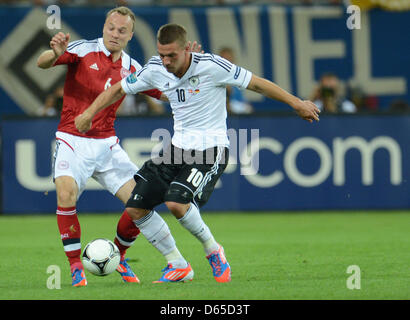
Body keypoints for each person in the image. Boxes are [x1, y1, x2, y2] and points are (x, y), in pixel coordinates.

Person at [75, 23, 320, 283]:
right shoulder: (155, 69)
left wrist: (296, 102)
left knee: (176, 203)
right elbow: (118, 89)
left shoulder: (212, 66)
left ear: (185, 49)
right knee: (135, 207)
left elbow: (257, 84)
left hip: (210, 149)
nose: (166, 61)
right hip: (176, 149)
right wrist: (89, 112)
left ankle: (214, 251)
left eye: (172, 55)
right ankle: (177, 264)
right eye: (162, 54)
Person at [36, 7, 207, 287]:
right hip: (72, 139)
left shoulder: (132, 66)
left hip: (107, 145)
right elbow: (43, 63)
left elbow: (166, 92)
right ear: (104, 27)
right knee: (66, 193)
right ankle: (76, 266)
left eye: (122, 30)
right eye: (111, 28)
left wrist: (189, 68)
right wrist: (55, 52)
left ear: (130, 35)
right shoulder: (81, 50)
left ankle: (141, 258)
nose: (115, 34)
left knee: (141, 201)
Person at [219, 47, 254, 114]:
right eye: (224, 60)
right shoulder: (214, 77)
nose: (227, 63)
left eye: (229, 59)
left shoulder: (239, 78)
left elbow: (244, 104)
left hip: (236, 117)